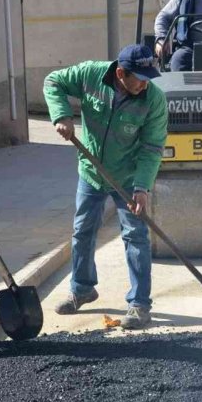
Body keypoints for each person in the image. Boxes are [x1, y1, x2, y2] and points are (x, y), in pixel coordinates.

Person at [44, 45, 168, 329]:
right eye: (140, 77)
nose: (145, 83)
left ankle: (139, 304)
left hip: (127, 177)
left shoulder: (153, 100)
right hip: (91, 171)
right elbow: (53, 81)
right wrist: (61, 116)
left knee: (135, 235)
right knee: (83, 230)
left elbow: (152, 147)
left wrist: (142, 188)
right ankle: (82, 288)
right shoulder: (91, 74)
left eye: (149, 77)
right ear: (121, 73)